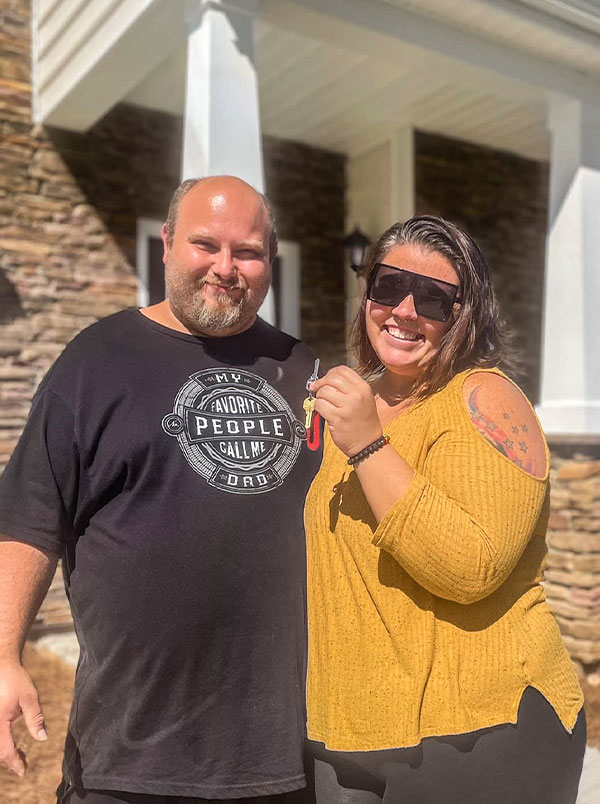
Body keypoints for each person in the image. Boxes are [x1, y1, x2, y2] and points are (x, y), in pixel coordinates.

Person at [0, 175, 321, 803]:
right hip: (129, 757)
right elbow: (30, 518)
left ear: (270, 263)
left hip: (279, 757)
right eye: (206, 245)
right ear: (168, 244)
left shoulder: (302, 370)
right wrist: (4, 654)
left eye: (248, 252)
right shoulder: (96, 361)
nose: (226, 268)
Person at [303, 216, 586, 804]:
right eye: (388, 286)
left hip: (478, 730)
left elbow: (469, 566)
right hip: (347, 730)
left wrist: (367, 445)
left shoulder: (484, 398)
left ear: (465, 315)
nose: (404, 310)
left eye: (434, 298)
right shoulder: (357, 402)